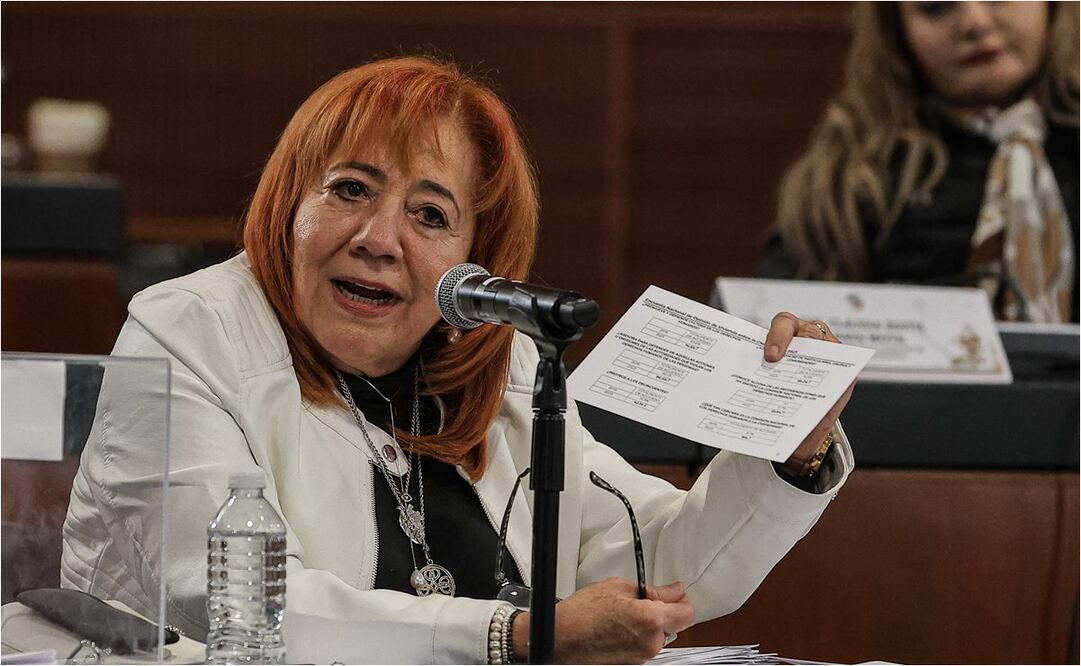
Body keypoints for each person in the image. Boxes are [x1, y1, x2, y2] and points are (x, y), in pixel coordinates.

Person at [62, 57, 855, 664]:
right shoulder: (189, 329)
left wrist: (788, 447)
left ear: (477, 256)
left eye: (429, 214)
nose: (377, 238)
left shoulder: (493, 355)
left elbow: (659, 564)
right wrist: (510, 637)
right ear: (287, 205)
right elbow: (225, 608)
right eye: (347, 190)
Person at [763, 1, 1079, 323]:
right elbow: (772, 315)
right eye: (936, 7)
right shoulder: (848, 176)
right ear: (896, 31)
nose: (975, 23)